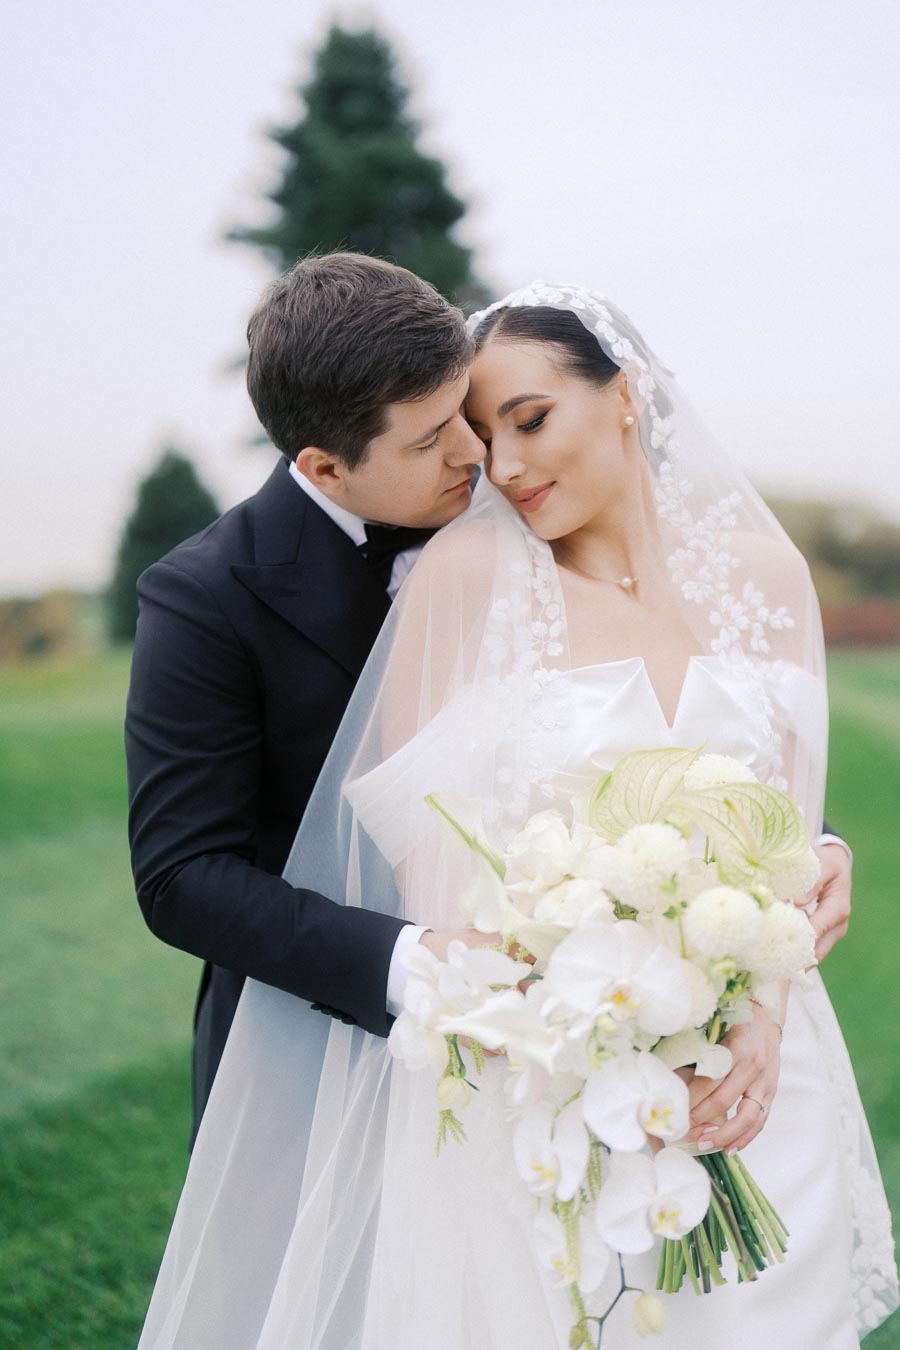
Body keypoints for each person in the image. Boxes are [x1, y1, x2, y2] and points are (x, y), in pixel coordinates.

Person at [137, 285, 895, 1349]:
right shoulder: (461, 579)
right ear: (325, 466)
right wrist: (583, 1034)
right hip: (541, 1056)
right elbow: (418, 877)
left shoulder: (766, 577)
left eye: (522, 420)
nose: (492, 466)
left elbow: (785, 819)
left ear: (625, 395)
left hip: (763, 1067)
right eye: (472, 434)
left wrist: (766, 994)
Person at [125, 253, 500, 1144]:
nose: (476, 451)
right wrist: (414, 964)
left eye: (467, 412)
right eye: (429, 438)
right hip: (311, 1043)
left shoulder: (515, 501)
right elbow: (183, 878)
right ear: (326, 469)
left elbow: (650, 674)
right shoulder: (202, 597)